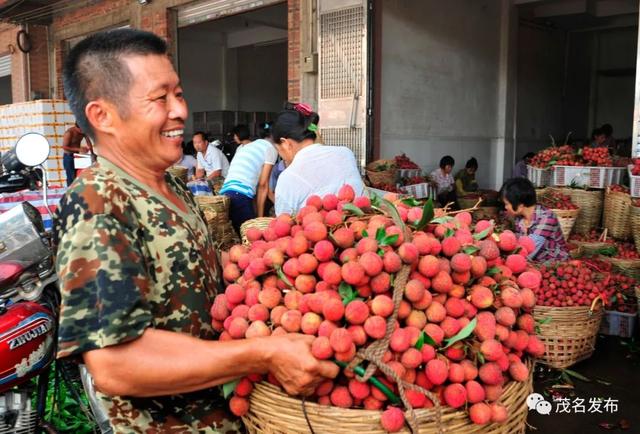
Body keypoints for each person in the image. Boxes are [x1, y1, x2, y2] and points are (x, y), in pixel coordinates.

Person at [55, 28, 338, 433]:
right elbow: (115, 364)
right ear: (103, 116)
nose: (181, 111)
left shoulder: (169, 184)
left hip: (228, 414)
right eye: (160, 98)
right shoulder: (97, 201)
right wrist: (261, 353)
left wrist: (269, 267)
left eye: (179, 94)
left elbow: (188, 277)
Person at [272, 102, 365, 216]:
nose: (281, 156)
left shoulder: (287, 178)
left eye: (278, 149)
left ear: (285, 143)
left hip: (320, 231)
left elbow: (284, 223)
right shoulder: (346, 153)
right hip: (363, 224)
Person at [219, 123, 278, 231]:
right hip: (240, 194)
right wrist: (259, 219)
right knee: (251, 237)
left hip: (225, 193)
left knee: (237, 236)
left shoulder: (249, 146)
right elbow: (263, 185)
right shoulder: (271, 149)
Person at [500, 177, 569, 262]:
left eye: (507, 204)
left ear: (520, 205)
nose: (505, 207)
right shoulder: (519, 219)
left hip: (557, 266)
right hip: (536, 264)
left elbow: (528, 251)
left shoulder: (547, 217)